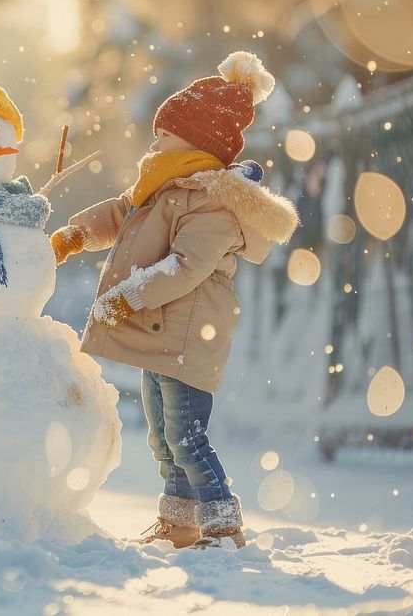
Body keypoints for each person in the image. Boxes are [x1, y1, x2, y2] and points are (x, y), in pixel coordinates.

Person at [50, 52, 299, 548]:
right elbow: (123, 212)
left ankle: (222, 525)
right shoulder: (163, 187)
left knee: (187, 438)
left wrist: (128, 298)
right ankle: (179, 522)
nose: (155, 138)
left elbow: (185, 266)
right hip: (161, 333)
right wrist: (78, 233)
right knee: (164, 440)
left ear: (199, 142)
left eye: (166, 131)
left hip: (187, 336)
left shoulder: (213, 200)